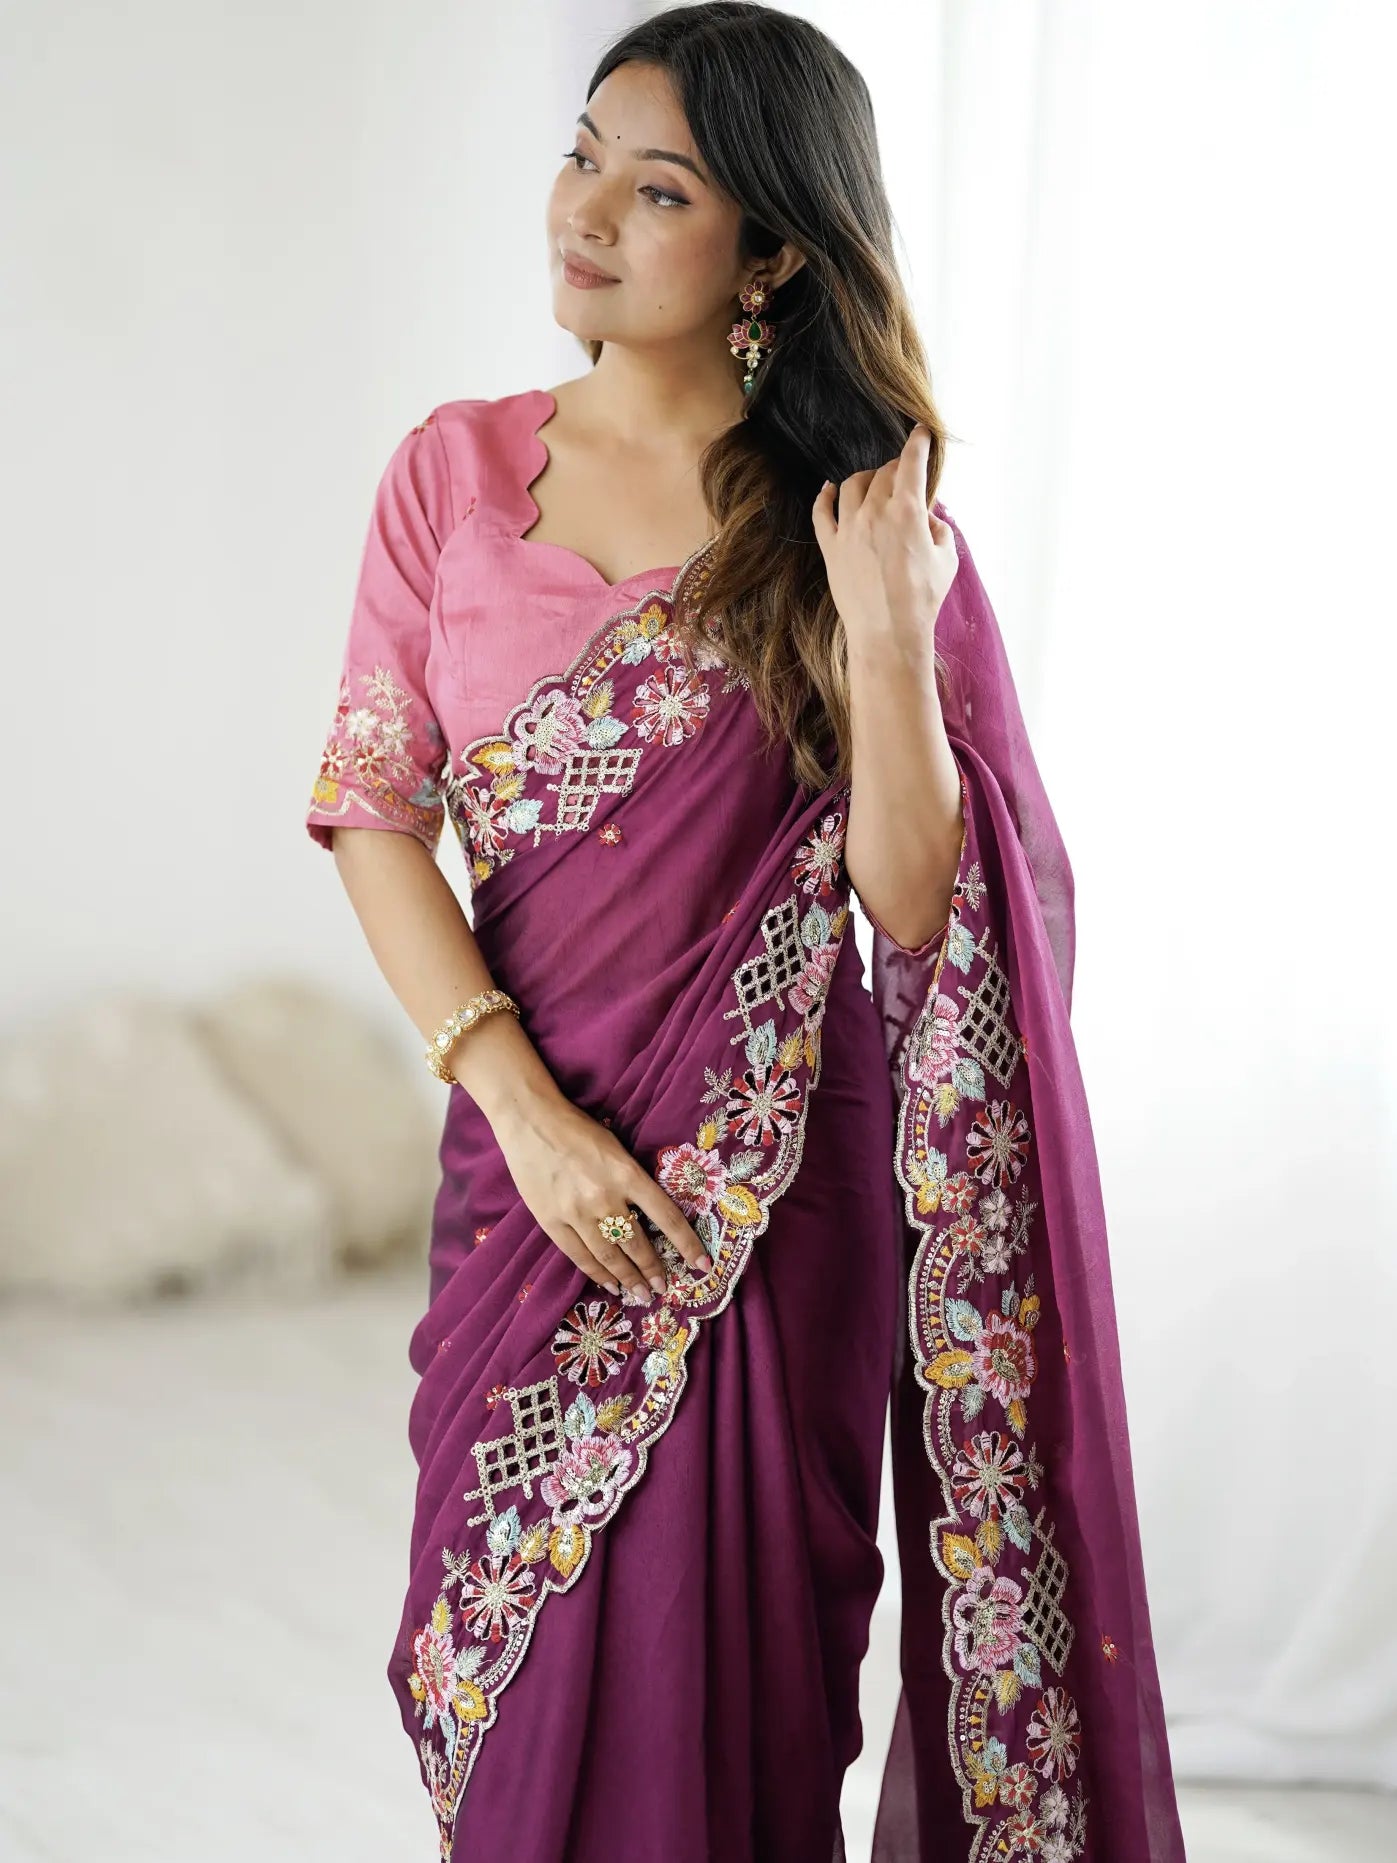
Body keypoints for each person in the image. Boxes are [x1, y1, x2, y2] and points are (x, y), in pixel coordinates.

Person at [304, 6, 1186, 1859]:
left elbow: (921, 904)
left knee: (753, 1707)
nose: (587, 214)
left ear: (772, 249)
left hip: (777, 1197)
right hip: (528, 1176)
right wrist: (527, 1118)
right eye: (582, 156)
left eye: (660, 187)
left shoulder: (858, 516)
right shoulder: (451, 475)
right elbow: (376, 812)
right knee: (520, 1689)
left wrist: (880, 633)